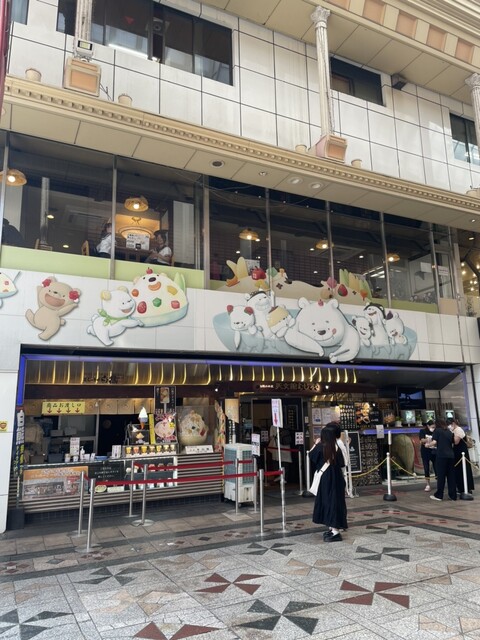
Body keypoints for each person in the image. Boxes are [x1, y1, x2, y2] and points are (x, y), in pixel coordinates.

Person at [309, 422, 347, 542]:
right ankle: (333, 529)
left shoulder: (320, 447)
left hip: (325, 479)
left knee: (327, 502)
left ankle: (334, 532)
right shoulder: (336, 447)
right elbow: (342, 463)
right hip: (337, 478)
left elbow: (311, 456)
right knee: (335, 502)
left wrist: (316, 444)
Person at [429, 418, 456, 501]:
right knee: (451, 476)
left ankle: (439, 495)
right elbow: (452, 442)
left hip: (441, 456)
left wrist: (428, 445)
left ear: (437, 424)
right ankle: (453, 495)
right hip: (451, 455)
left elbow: (434, 442)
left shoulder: (437, 431)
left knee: (441, 476)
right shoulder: (449, 432)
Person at [449, 418, 474, 495]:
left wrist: (449, 437)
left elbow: (456, 442)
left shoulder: (458, 430)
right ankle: (460, 488)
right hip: (457, 452)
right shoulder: (454, 430)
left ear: (453, 423)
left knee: (463, 470)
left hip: (461, 453)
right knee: (459, 471)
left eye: (449, 425)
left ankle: (466, 488)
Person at [418, 420, 436, 492]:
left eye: (434, 427)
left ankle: (439, 482)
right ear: (428, 426)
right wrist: (428, 440)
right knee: (426, 468)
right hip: (425, 451)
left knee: (436, 467)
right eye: (432, 427)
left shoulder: (436, 431)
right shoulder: (422, 431)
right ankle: (428, 484)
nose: (433, 428)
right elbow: (421, 440)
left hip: (434, 451)